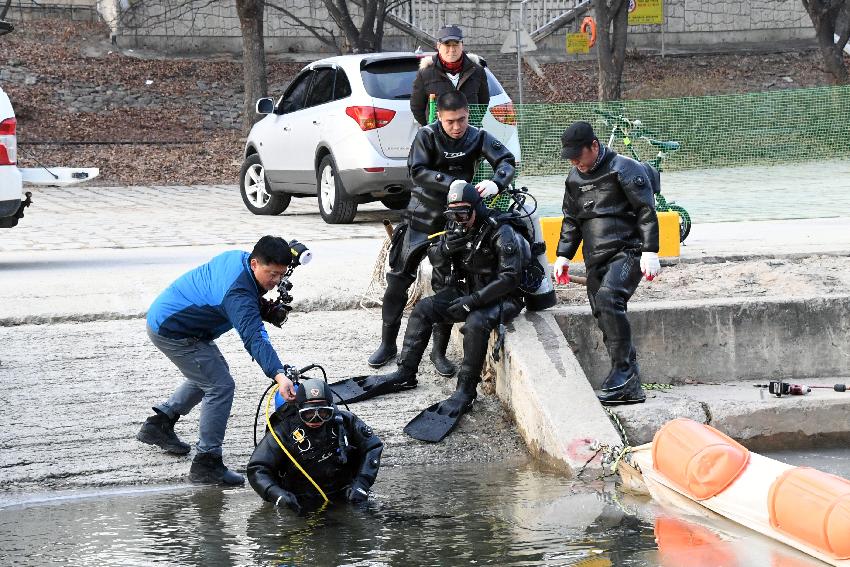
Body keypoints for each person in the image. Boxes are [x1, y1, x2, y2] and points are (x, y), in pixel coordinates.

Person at [353, 183, 530, 442]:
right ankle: (406, 373)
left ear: (475, 209)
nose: (458, 220)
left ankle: (466, 391)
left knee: (477, 321)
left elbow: (511, 277)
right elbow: (434, 257)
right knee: (424, 308)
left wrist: (474, 301)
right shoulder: (455, 225)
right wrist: (447, 248)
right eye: (453, 215)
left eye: (463, 214)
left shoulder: (500, 231)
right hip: (467, 291)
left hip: (501, 296)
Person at [364, 89, 516, 387]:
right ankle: (387, 342)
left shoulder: (479, 136)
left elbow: (507, 160)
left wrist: (497, 182)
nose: (456, 127)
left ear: (467, 116)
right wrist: (451, 182)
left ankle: (438, 352)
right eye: (450, 122)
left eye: (461, 120)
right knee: (398, 277)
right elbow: (417, 170)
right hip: (422, 214)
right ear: (440, 118)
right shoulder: (427, 136)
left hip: (457, 218)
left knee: (447, 282)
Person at [137, 235, 299, 485]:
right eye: (272, 274)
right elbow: (254, 337)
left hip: (174, 318)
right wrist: (278, 374)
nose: (276, 282)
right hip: (173, 329)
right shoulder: (238, 293)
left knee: (208, 374)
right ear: (255, 263)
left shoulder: (240, 259)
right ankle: (206, 462)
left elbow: (239, 295)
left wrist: (260, 305)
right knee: (220, 385)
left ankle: (159, 424)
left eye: (281, 275)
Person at [553, 121, 661, 405]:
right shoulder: (574, 178)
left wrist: (650, 250)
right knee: (602, 311)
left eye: (579, 155)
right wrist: (563, 255)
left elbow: (646, 211)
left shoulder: (625, 169)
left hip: (627, 251)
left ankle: (624, 372)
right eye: (571, 157)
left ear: (595, 146)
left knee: (610, 298)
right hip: (594, 258)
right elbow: (571, 220)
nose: (576, 162)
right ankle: (626, 376)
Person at [247, 378, 383, 513]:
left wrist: (362, 483)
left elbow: (372, 446)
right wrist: (277, 495)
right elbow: (257, 468)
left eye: (323, 413)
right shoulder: (283, 432)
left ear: (331, 408)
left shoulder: (345, 421)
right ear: (299, 409)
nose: (316, 419)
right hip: (301, 501)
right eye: (308, 414)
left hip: (348, 493)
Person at [410, 25, 490, 127]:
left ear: (462, 45)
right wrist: (431, 127)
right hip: (438, 137)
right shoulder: (425, 73)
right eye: (447, 45)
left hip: (471, 135)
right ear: (438, 46)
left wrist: (469, 123)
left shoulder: (477, 71)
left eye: (456, 44)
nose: (452, 49)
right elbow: (417, 107)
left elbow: (483, 103)